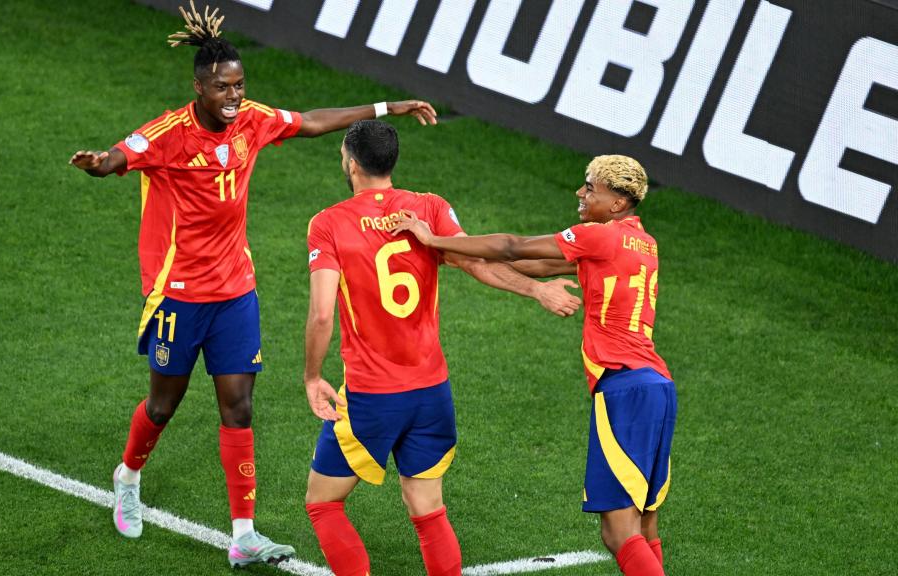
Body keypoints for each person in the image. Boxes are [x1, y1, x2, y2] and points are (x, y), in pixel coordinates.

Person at [68, 2, 438, 567]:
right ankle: (127, 476)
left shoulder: (251, 121)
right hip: (179, 294)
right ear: (199, 87)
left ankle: (243, 535)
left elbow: (311, 121)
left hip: (236, 291)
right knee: (164, 404)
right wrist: (98, 163)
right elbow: (122, 156)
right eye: (223, 88)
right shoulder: (169, 133)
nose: (235, 96)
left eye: (240, 85)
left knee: (238, 407)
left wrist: (388, 106)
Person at [302, 120, 582, 576]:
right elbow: (476, 261)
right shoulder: (429, 209)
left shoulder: (329, 224)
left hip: (373, 395)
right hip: (431, 392)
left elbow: (320, 315)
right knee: (427, 507)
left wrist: (313, 377)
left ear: (352, 163)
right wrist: (538, 290)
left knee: (323, 503)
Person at [392, 154, 676, 576]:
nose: (581, 193)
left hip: (624, 389)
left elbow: (512, 245)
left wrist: (434, 240)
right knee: (646, 518)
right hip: (657, 387)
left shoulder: (599, 237)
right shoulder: (642, 243)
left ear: (617, 203)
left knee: (618, 532)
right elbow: (537, 264)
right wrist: (458, 255)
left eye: (591, 188)